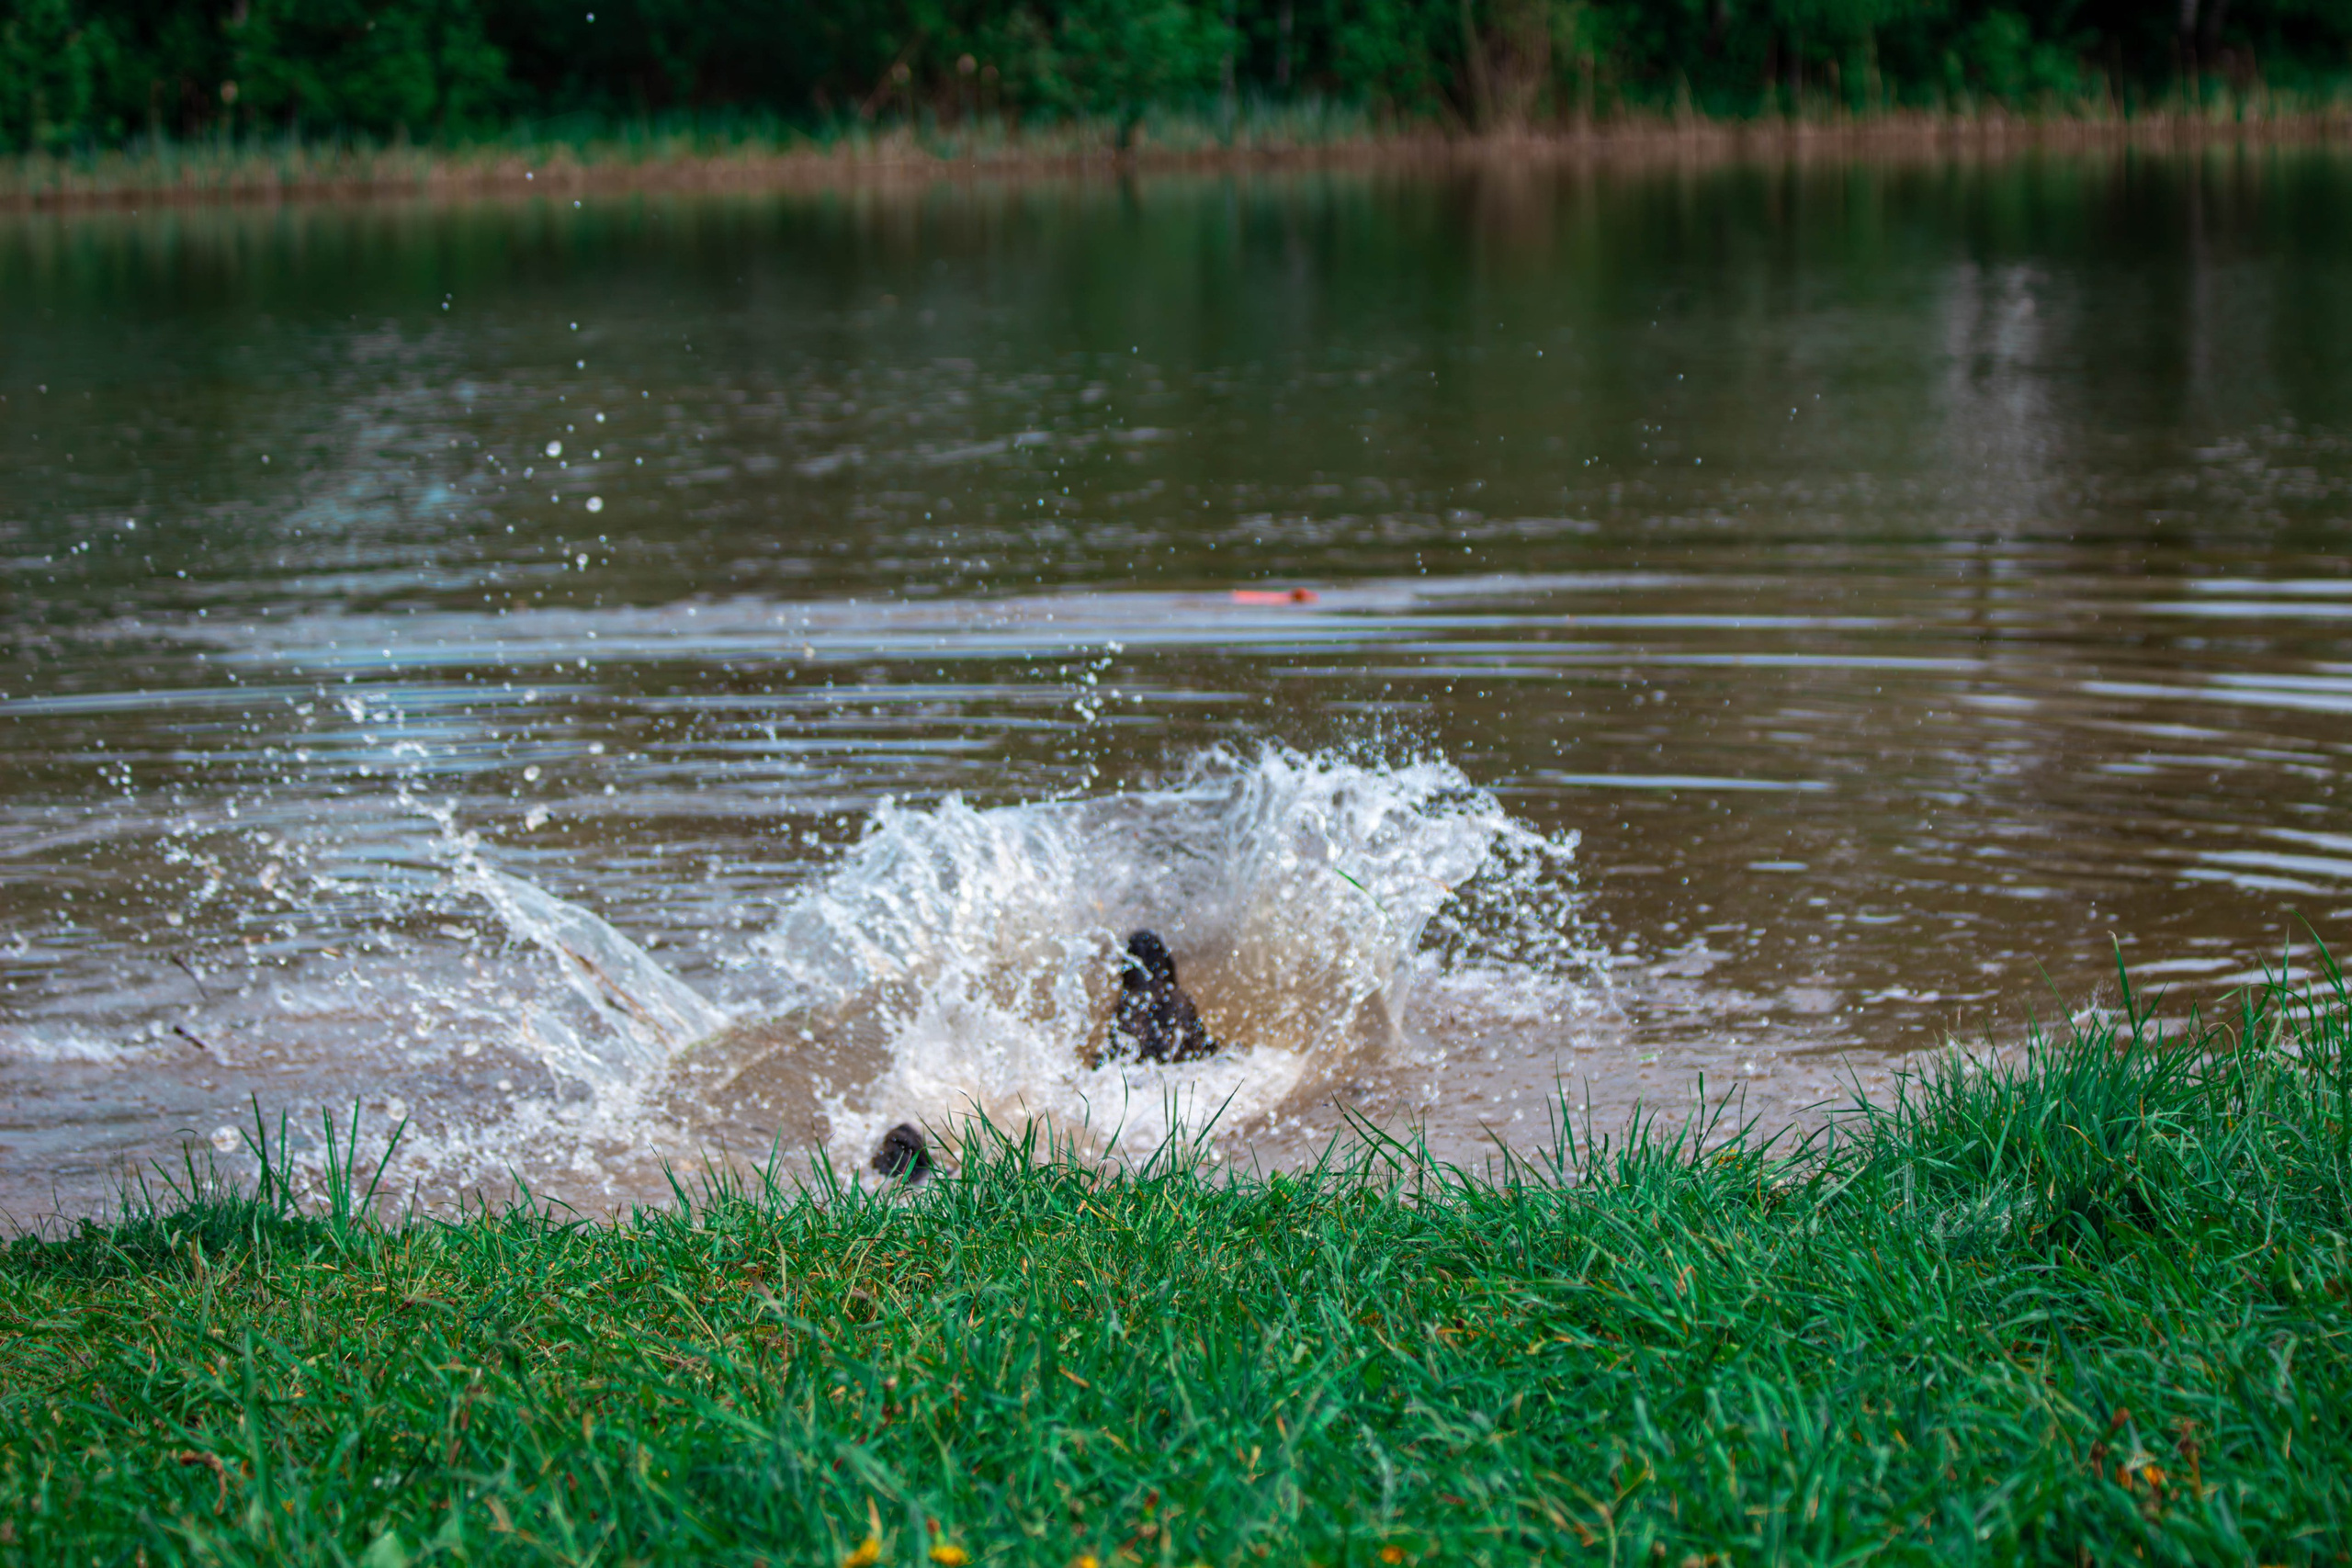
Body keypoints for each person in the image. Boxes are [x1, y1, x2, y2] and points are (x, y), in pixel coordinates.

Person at [1109, 929, 1221, 1063]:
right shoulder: (1180, 1000)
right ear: (1168, 964)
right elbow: (1203, 1048)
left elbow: (1114, 1056)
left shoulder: (1128, 1006)